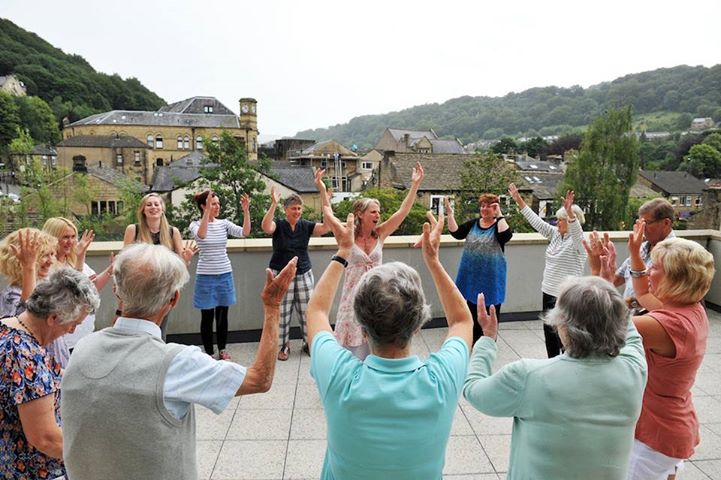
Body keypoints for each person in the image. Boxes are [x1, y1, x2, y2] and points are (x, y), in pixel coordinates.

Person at [61, 243, 298, 480]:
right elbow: (260, 379)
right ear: (174, 299)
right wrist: (272, 306)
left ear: (116, 290)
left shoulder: (82, 349)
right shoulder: (176, 363)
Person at [306, 207, 473, 479]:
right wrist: (433, 260)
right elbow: (462, 321)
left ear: (361, 324)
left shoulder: (339, 376)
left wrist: (343, 252)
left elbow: (317, 311)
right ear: (418, 325)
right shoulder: (441, 380)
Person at [463, 276, 647, 479]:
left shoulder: (528, 376)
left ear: (564, 325)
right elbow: (628, 328)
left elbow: (474, 389)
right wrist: (605, 290)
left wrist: (487, 340)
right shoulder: (634, 370)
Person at [589, 225, 715, 479]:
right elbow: (643, 292)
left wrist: (598, 274)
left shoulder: (662, 325)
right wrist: (633, 255)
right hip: (673, 423)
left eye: (655, 267)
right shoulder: (690, 310)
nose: (647, 270)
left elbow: (595, 327)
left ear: (674, 278)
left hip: (655, 434)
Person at [1, 267, 100, 480]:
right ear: (53, 318)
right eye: (73, 324)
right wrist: (97, 457)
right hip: (32, 471)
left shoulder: (7, 328)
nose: (72, 331)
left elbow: (47, 378)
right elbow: (46, 438)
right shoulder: (27, 356)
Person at [328, 161, 424, 359]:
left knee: (375, 342)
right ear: (360, 215)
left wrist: (415, 184)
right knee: (350, 350)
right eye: (373, 212)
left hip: (376, 293)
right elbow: (328, 215)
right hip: (352, 296)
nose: (378, 215)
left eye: (378, 212)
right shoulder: (347, 237)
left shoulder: (380, 234)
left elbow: (402, 212)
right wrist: (323, 192)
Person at [508, 184, 587, 357]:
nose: (557, 222)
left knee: (565, 334)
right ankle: (552, 362)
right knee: (549, 333)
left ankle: (568, 364)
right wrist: (518, 200)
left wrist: (570, 213)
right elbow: (536, 221)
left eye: (561, 219)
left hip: (566, 295)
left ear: (571, 221)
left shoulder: (579, 242)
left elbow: (577, 232)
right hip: (548, 291)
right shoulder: (555, 235)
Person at [262, 171, 331, 361]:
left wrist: (322, 191)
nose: (297, 212)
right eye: (293, 208)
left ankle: (309, 343)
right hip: (281, 274)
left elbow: (326, 226)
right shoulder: (279, 225)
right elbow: (266, 227)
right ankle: (283, 346)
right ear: (286, 210)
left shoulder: (306, 226)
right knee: (282, 313)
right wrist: (273, 204)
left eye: (299, 208)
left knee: (306, 311)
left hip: (303, 274)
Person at [124, 192, 197, 340]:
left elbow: (180, 266)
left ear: (162, 209)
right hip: (140, 288)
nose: (153, 207)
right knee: (138, 327)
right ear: (143, 210)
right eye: (149, 204)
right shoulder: (133, 230)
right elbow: (125, 261)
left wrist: (186, 259)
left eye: (156, 204)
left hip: (164, 289)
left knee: (159, 329)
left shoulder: (172, 232)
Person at [189, 190, 248, 360]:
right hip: (206, 276)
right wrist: (207, 213)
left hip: (224, 274)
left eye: (218, 204)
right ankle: (208, 353)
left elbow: (244, 232)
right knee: (207, 317)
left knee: (223, 315)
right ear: (203, 206)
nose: (217, 207)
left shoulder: (224, 223)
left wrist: (246, 211)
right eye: (213, 203)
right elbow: (202, 235)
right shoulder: (195, 224)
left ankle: (222, 349)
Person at [446, 192, 513, 343]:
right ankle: (472, 343)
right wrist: (450, 215)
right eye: (482, 206)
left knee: (490, 315)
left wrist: (500, 214)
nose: (484, 209)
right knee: (471, 314)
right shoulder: (473, 224)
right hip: (471, 279)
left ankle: (488, 344)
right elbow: (456, 233)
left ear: (495, 209)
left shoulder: (498, 226)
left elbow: (506, 236)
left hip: (490, 281)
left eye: (489, 206)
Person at [43, 217, 113, 355]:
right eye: (65, 237)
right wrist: (80, 258)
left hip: (84, 336)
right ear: (52, 238)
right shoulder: (47, 266)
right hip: (63, 340)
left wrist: (111, 270)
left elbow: (92, 288)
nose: (71, 242)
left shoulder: (72, 260)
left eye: (73, 237)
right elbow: (71, 292)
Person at [599, 198, 674, 313]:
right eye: (639, 224)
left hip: (651, 322)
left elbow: (666, 304)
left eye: (647, 223)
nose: (641, 230)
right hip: (630, 320)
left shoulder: (676, 254)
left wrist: (630, 304)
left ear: (666, 223)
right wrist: (603, 265)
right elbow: (616, 279)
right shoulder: (641, 248)